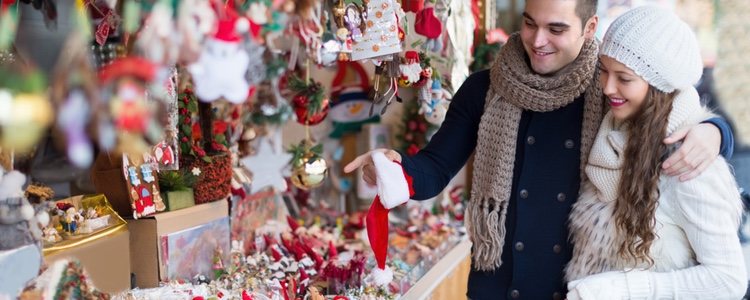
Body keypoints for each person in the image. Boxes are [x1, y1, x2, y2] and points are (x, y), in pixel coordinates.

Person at [344, 0, 735, 298]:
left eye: (556, 28)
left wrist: (715, 131)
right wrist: (397, 170)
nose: (537, 40)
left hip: (572, 288)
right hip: (495, 283)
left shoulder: (608, 93)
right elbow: (434, 167)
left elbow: (670, 101)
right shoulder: (484, 88)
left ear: (590, 27)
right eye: (530, 23)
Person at [564, 6, 747, 299]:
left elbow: (728, 280)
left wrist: (627, 287)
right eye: (605, 71)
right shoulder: (614, 130)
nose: (608, 87)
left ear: (660, 86)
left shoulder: (687, 161)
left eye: (624, 78)